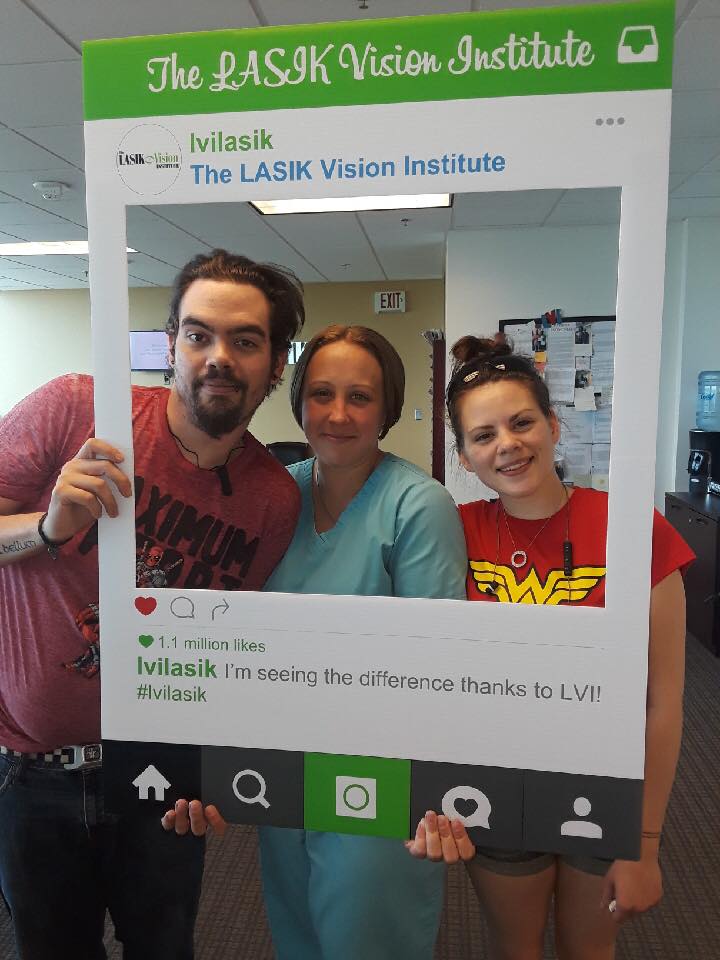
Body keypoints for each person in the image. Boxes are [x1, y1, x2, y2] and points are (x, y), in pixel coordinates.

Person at [0, 249, 305, 959]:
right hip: (32, 771)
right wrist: (47, 528)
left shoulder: (272, 498)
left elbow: (230, 650)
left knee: (164, 947)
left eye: (246, 341)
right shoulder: (78, 408)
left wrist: (217, 772)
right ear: (171, 344)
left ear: (276, 363)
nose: (218, 357)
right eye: (198, 335)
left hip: (164, 774)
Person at [166, 325, 468, 960]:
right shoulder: (275, 495)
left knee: (366, 938)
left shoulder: (419, 507)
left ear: (388, 407)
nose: (337, 414)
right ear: (298, 401)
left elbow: (438, 668)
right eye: (321, 394)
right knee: (296, 932)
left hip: (379, 775)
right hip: (285, 767)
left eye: (360, 397)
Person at [407, 335, 694, 960]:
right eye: (483, 436)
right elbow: (426, 675)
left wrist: (644, 843)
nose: (506, 444)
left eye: (521, 422)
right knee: (515, 950)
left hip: (605, 785)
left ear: (553, 426)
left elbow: (663, 702)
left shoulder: (634, 531)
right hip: (499, 787)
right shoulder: (454, 532)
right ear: (463, 454)